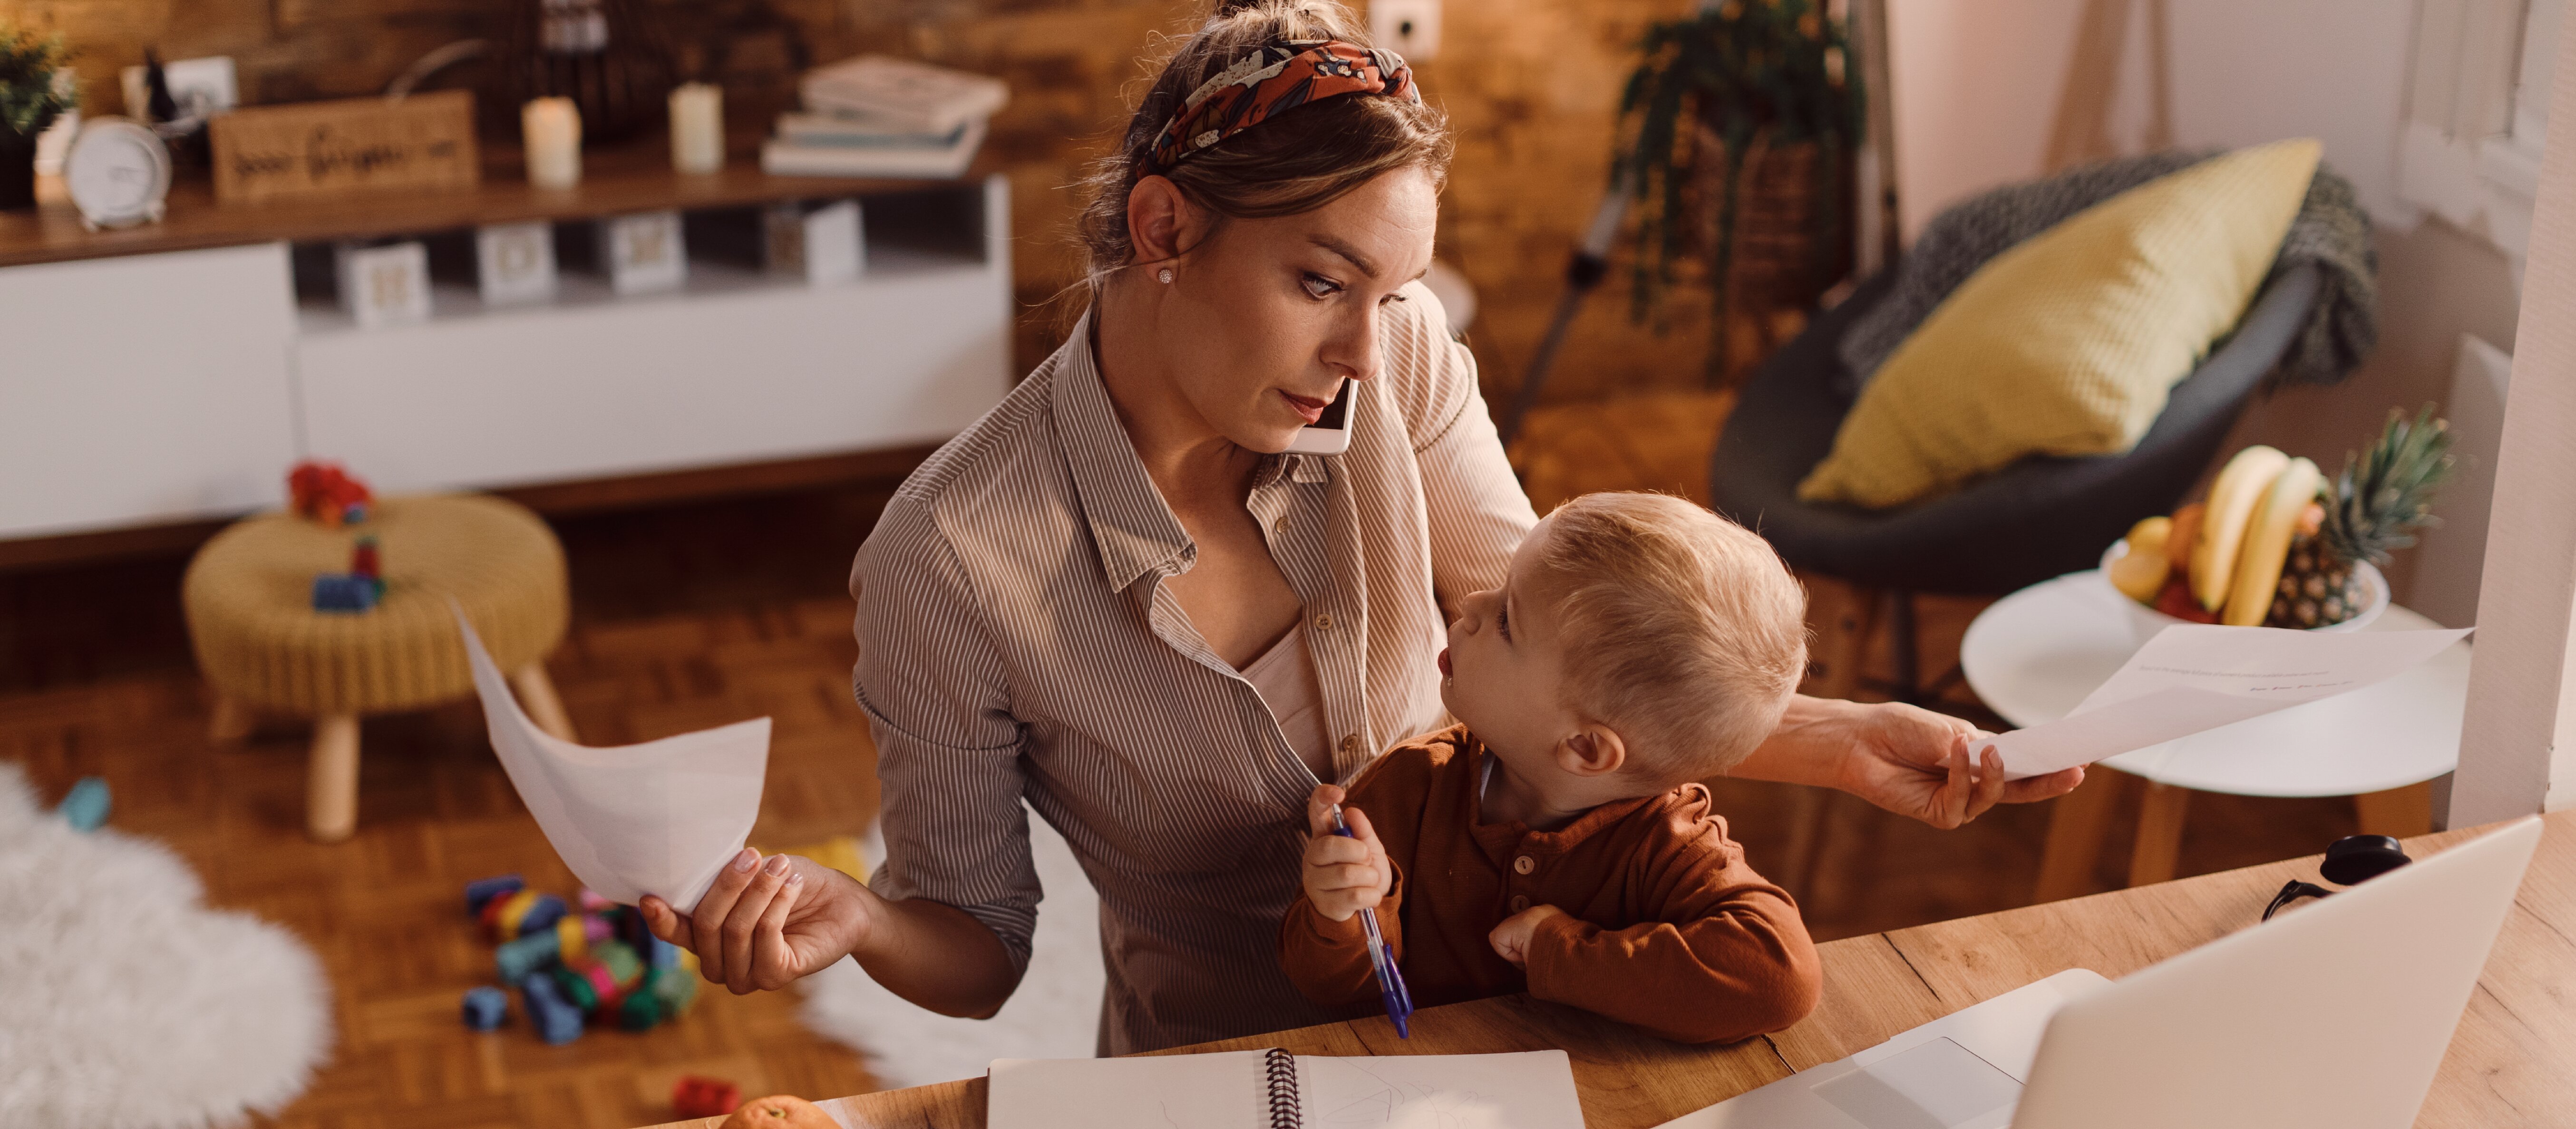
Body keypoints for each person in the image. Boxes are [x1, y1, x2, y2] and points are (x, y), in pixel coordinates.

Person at [642, 0, 2081, 1055]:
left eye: (1388, 291)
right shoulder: (947, 557)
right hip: (1226, 1068)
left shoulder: (1402, 361)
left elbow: (1573, 663)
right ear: (1162, 231)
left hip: (1504, 1038)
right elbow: (976, 952)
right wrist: (860, 922)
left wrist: (1828, 737)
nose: (1362, 350)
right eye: (1323, 281)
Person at [1281, 492, 1819, 1044]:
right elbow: (1323, 985)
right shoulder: (1409, 786)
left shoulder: (1670, 844)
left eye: (1507, 621)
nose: (1470, 604)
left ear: (1585, 748)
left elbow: (1781, 978)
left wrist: (1561, 952)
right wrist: (1341, 912)